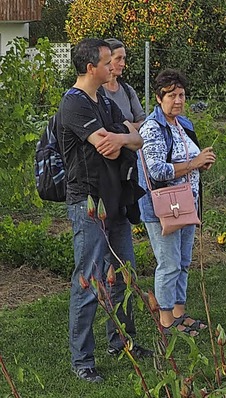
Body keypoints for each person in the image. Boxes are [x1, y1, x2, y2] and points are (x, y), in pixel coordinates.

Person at [58, 38, 151, 383]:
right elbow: (106, 146)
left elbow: (135, 138)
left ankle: (123, 342)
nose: (113, 65)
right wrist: (121, 134)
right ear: (90, 68)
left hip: (115, 199)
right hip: (88, 203)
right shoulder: (74, 104)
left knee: (125, 274)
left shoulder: (105, 101)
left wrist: (122, 135)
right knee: (90, 280)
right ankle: (82, 359)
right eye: (106, 61)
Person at [137, 69, 216, 336]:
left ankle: (180, 313)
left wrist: (199, 165)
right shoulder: (153, 127)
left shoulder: (184, 124)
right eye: (171, 95)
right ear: (159, 98)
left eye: (181, 95)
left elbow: (186, 160)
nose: (178, 100)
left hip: (187, 203)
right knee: (169, 262)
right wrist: (192, 164)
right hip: (163, 207)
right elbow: (156, 169)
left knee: (183, 261)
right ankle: (166, 318)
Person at [101, 38, 145, 130]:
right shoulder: (96, 92)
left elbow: (143, 122)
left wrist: (120, 127)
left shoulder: (128, 90)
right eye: (118, 59)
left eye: (124, 58)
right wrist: (131, 127)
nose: (122, 64)